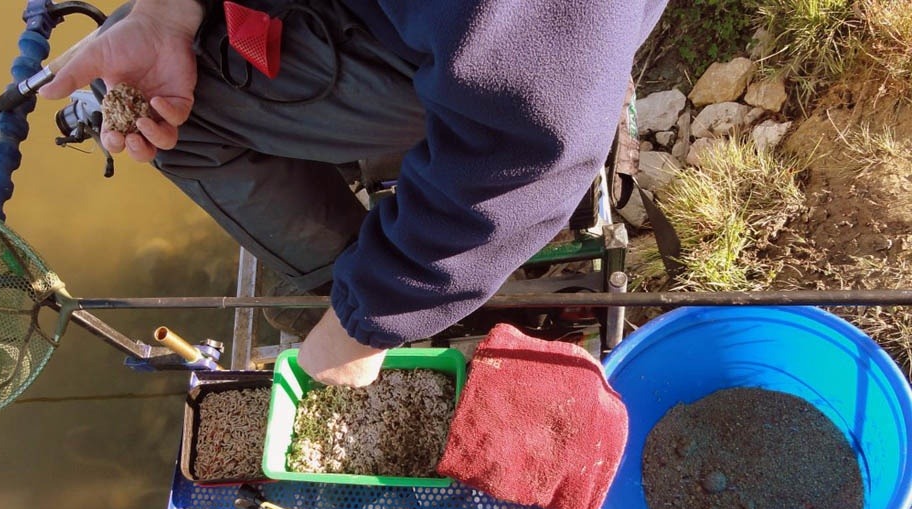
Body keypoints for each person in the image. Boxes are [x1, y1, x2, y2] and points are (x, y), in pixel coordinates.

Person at [40, 0, 667, 386]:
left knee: (178, 112)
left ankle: (342, 286)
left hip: (527, 46)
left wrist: (363, 321)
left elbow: (535, 128)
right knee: (142, 36)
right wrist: (166, 11)